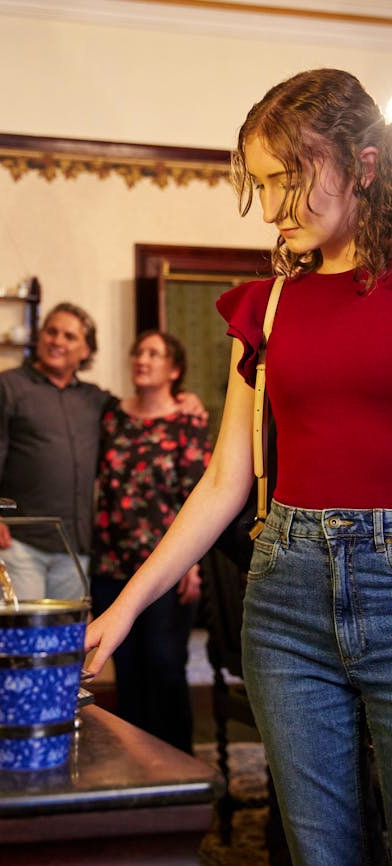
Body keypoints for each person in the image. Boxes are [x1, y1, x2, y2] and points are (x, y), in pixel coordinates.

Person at [85, 68, 392, 865]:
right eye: (260, 183)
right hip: (285, 602)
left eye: (291, 177)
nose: (274, 206)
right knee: (321, 854)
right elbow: (225, 480)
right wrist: (123, 609)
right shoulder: (268, 306)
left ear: (363, 165)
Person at [0, 303, 206, 601]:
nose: (57, 341)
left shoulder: (96, 400)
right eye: (51, 332)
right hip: (19, 542)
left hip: (75, 548)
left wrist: (185, 398)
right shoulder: (8, 386)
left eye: (69, 336)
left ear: (85, 351)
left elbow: (145, 411)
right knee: (25, 641)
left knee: (69, 642)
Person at [90, 329, 211, 752]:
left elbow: (201, 496)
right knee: (126, 669)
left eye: (154, 354)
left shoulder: (189, 420)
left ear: (174, 370)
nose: (142, 359)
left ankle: (179, 769)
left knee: (164, 666)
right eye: (138, 352)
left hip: (167, 568)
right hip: (111, 566)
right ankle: (135, 772)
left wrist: (193, 565)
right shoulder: (110, 415)